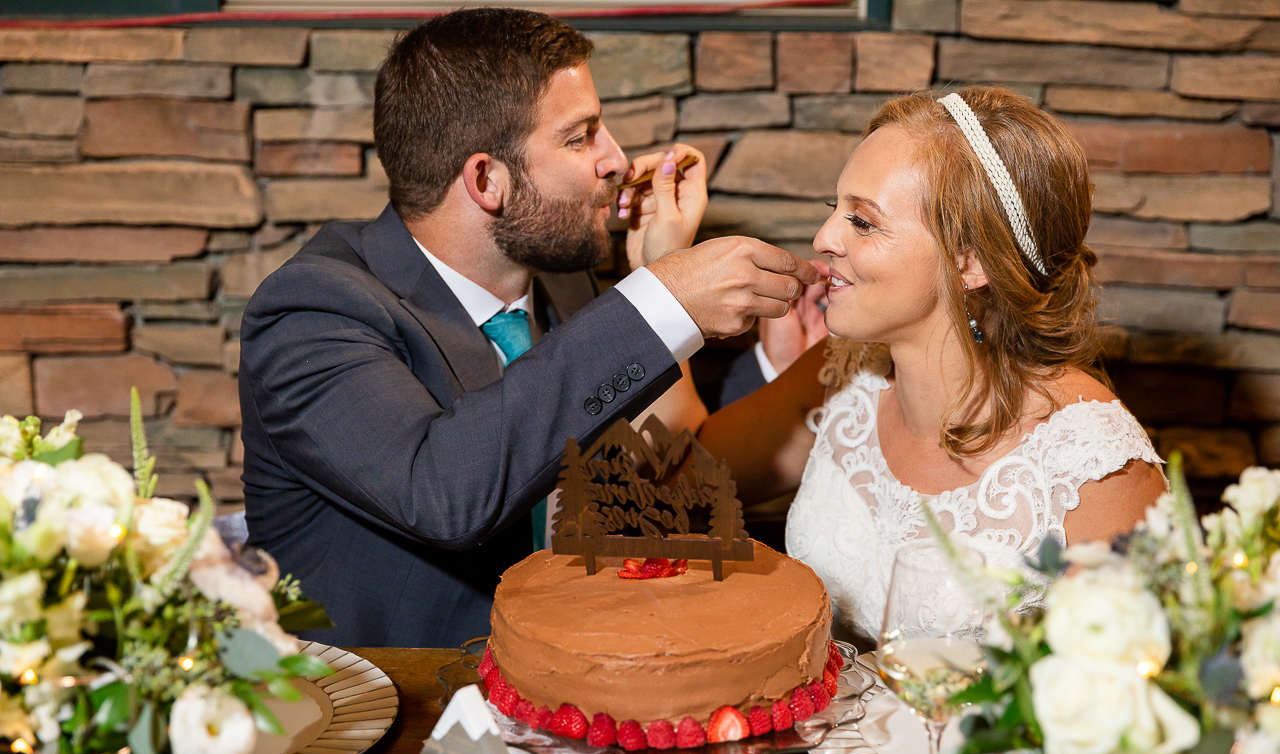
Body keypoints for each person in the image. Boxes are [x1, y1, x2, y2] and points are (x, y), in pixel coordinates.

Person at [237, 9, 815, 648]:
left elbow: (659, 463)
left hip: (565, 691)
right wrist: (659, 300)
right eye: (581, 136)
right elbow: (445, 493)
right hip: (396, 723)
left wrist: (659, 272)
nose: (618, 161)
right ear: (486, 179)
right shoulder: (313, 311)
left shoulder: (560, 279)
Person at [695, 86, 1167, 644]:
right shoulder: (840, 374)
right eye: (835, 210)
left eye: (863, 222)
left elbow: (1131, 701)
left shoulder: (1095, 470)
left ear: (971, 262)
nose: (825, 239)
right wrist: (669, 289)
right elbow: (674, 483)